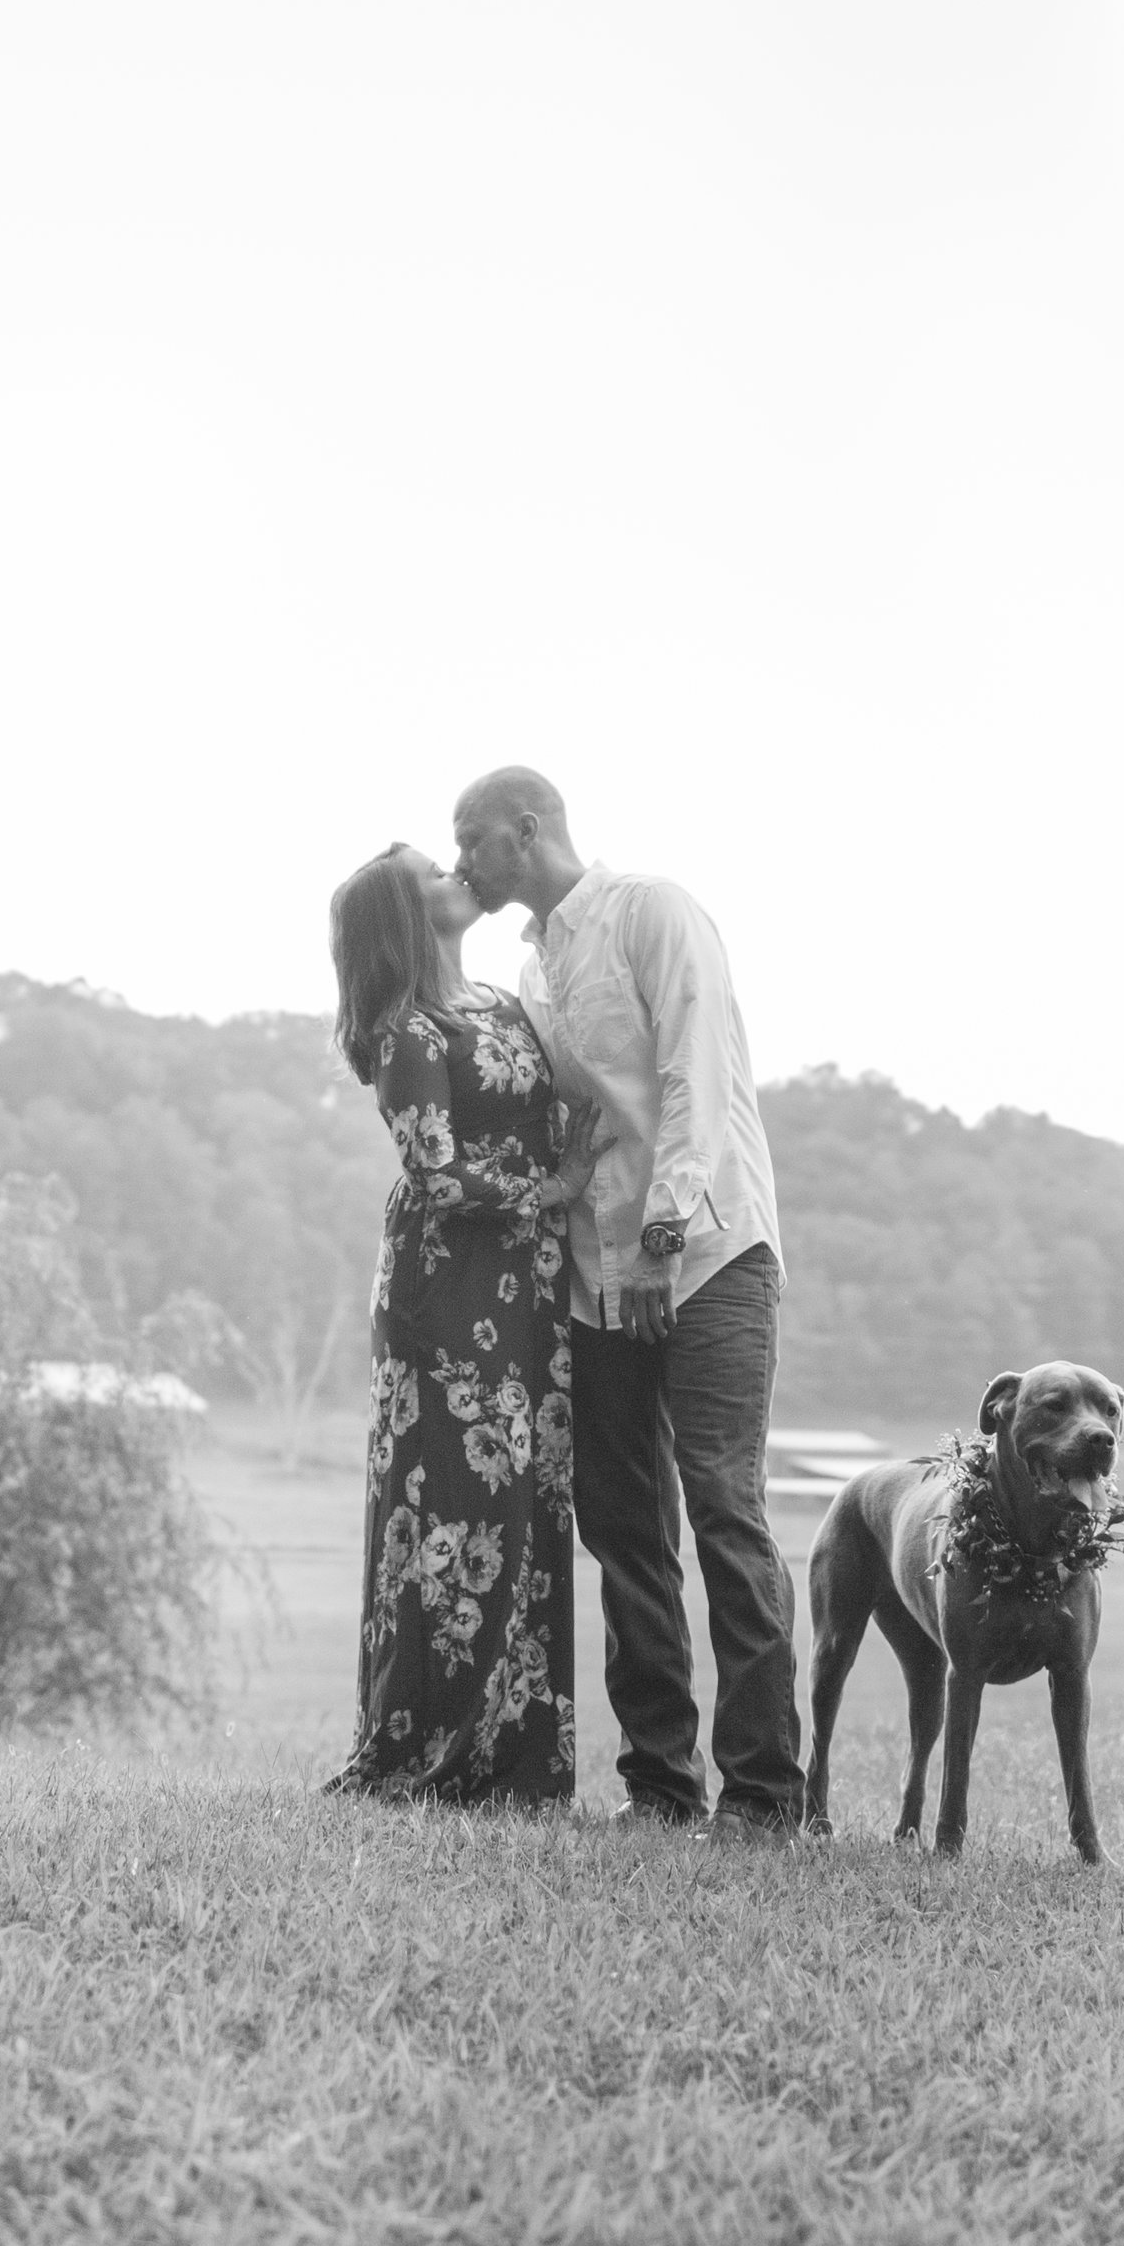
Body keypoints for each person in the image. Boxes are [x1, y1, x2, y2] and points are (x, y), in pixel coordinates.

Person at [451, 767, 804, 1834]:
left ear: (526, 828)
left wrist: (661, 1239)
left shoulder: (652, 910)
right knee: (621, 1526)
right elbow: (586, 1109)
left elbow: (698, 1076)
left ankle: (763, 1794)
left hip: (709, 1258)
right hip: (597, 1270)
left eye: (471, 840)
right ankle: (660, 1787)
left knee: (723, 1509)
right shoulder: (528, 964)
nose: (461, 861)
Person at [323, 842, 575, 1804]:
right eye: (435, 871)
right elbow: (434, 1173)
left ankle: (517, 1758)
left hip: (530, 1285)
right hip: (449, 1291)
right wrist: (551, 1187)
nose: (456, 875)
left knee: (523, 1502)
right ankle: (429, 1747)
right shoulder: (407, 1030)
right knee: (447, 1510)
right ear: (404, 911)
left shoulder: (500, 1005)